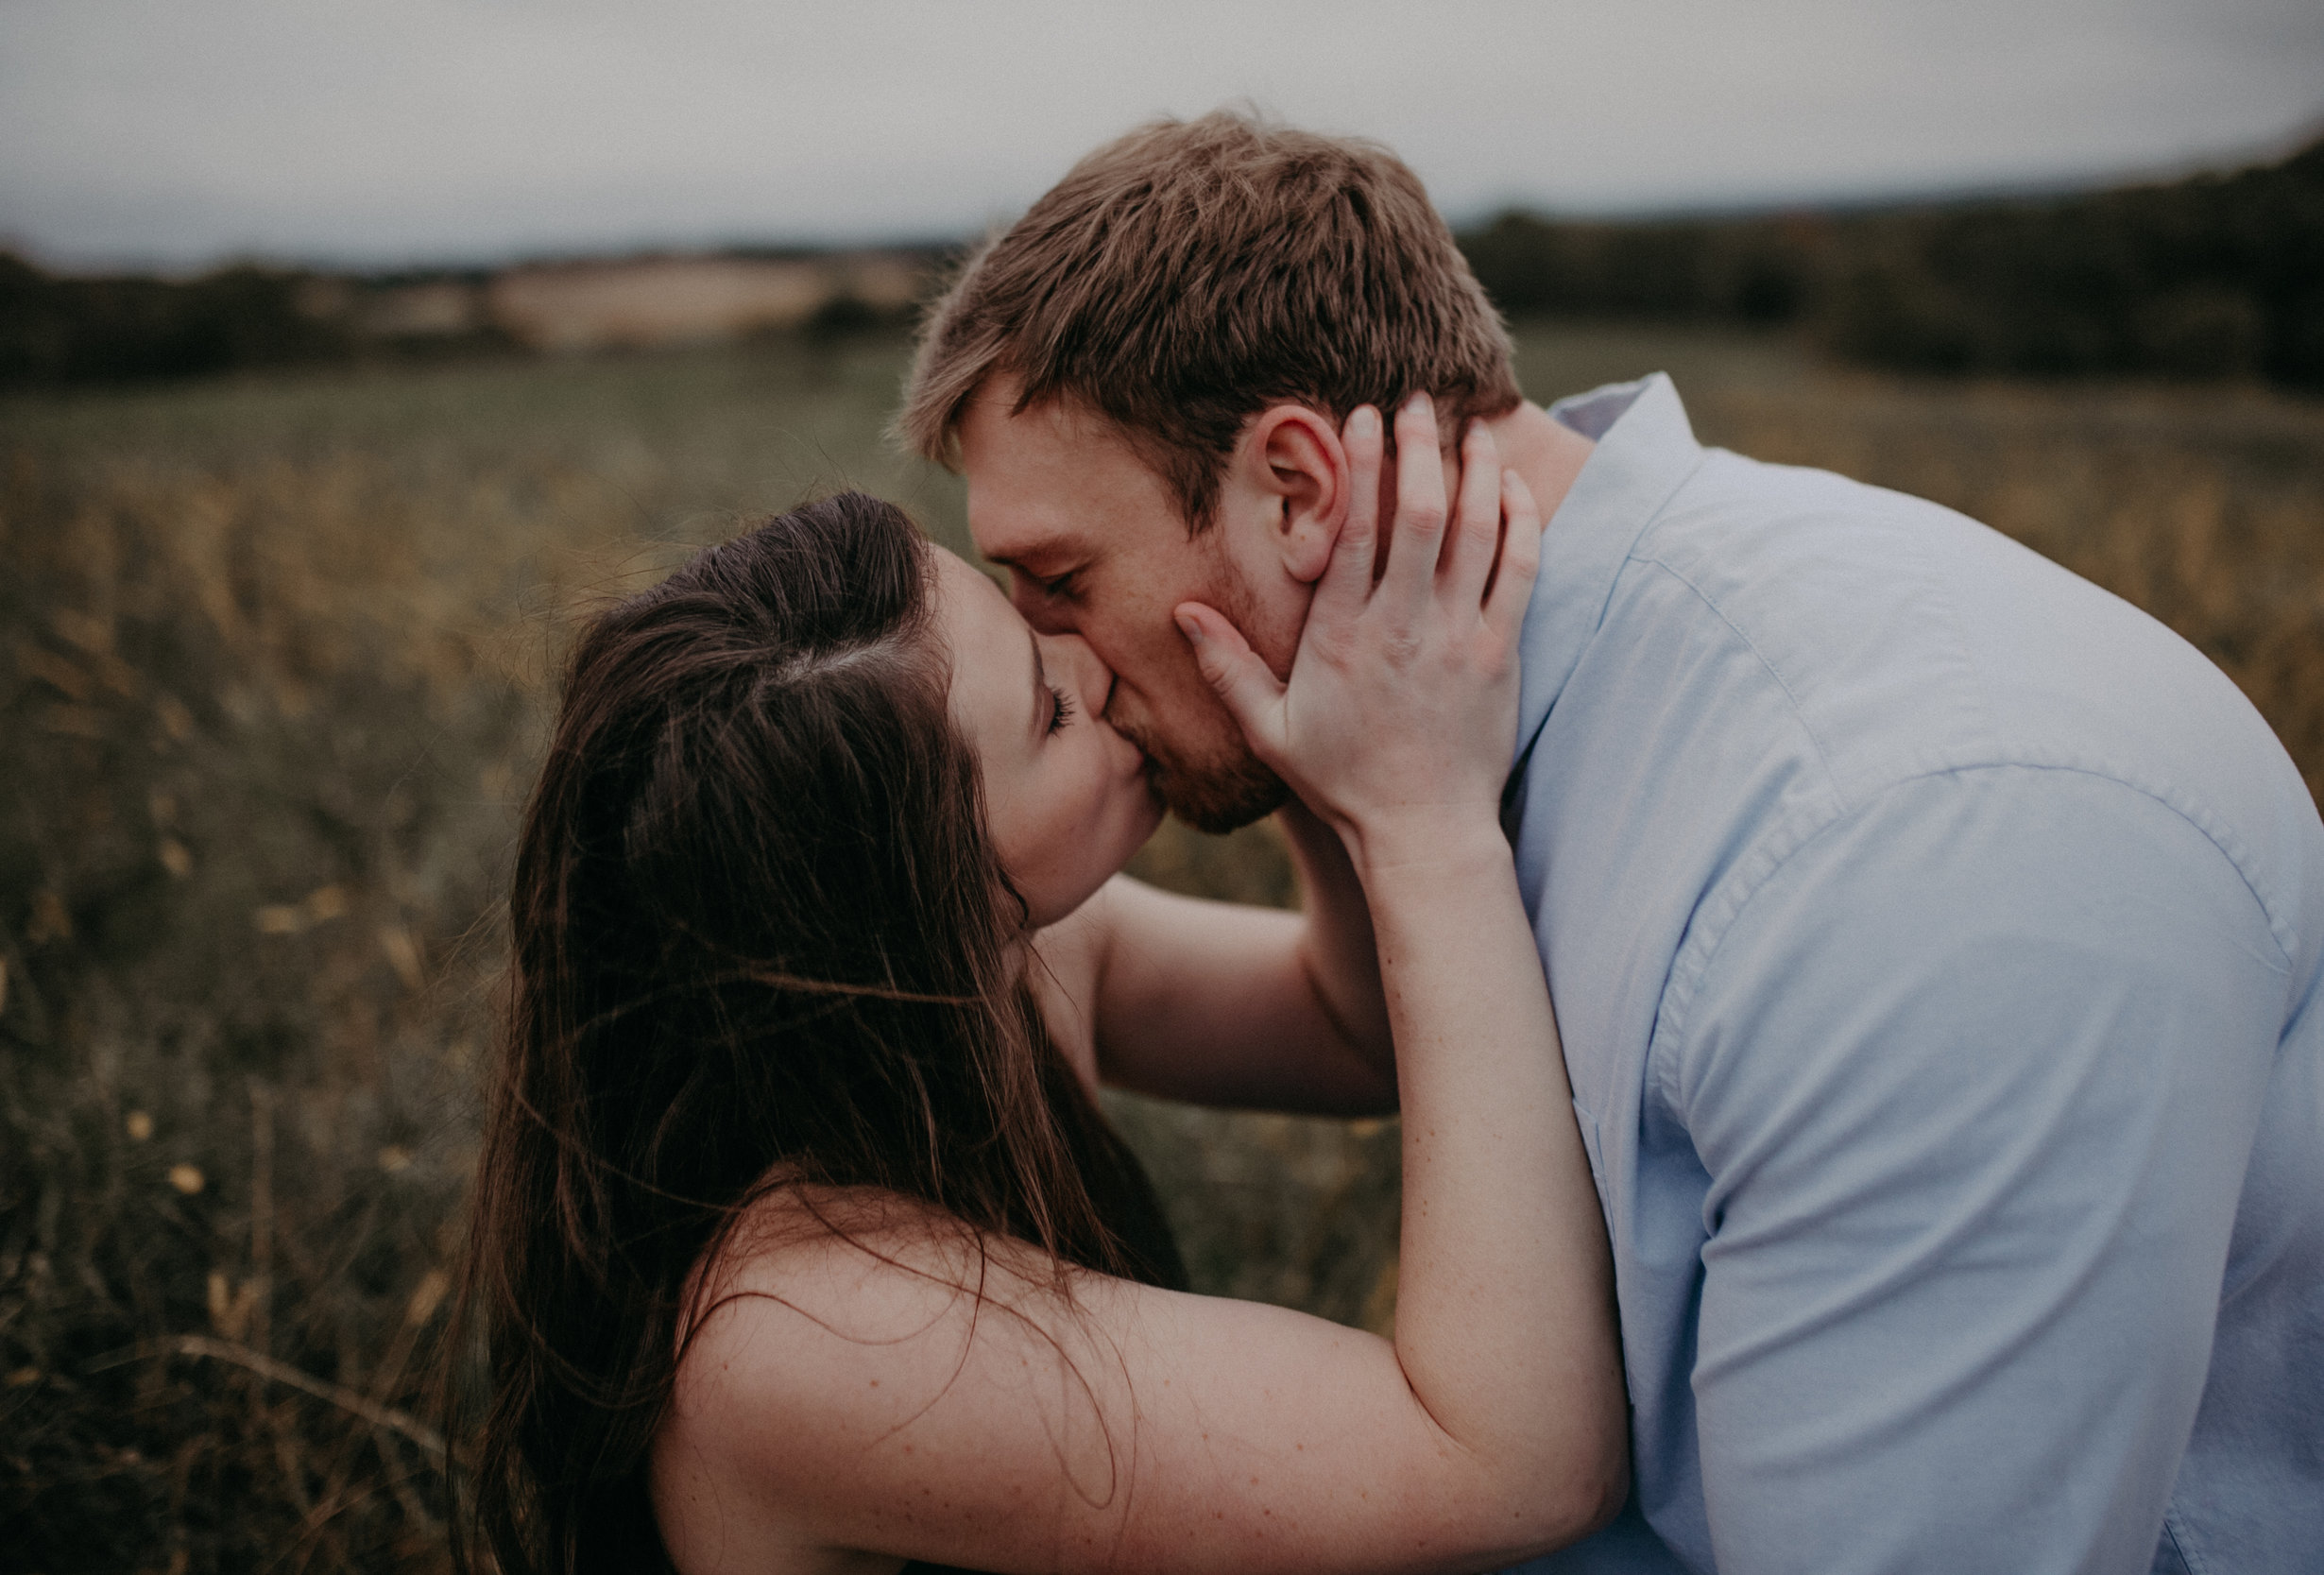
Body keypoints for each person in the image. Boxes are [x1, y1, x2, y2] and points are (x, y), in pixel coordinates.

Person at [896, 111, 2324, 1573]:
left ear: (1300, 491)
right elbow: (1358, 1027)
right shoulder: (1484, 718)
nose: (1048, 652)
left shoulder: (1899, 856)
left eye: (1060, 579)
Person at [452, 411, 1628, 1573]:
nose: (1097, 661)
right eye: (1049, 709)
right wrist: (1423, 819)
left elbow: (1344, 1026)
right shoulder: (812, 1332)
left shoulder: (1010, 969)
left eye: (1030, 609)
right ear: (922, 918)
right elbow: (1514, 1468)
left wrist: (1282, 691)